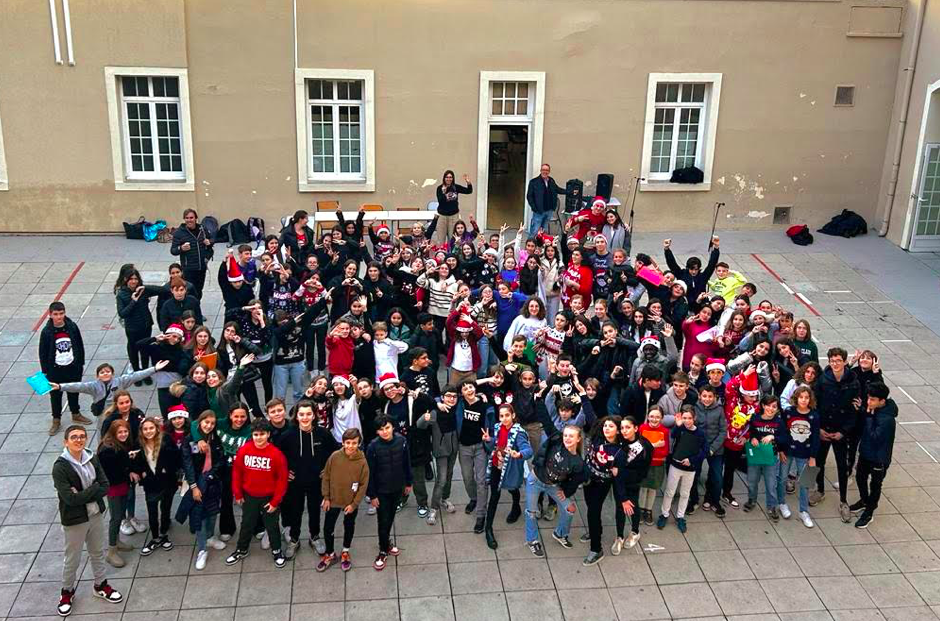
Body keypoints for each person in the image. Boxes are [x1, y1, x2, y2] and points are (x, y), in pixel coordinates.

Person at [53, 425, 123, 616]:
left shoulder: (92, 458)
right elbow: (70, 499)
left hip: (95, 515)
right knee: (72, 559)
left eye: (82, 436)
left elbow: (106, 486)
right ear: (65, 441)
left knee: (97, 553)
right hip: (75, 519)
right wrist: (93, 489)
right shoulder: (60, 467)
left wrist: (85, 492)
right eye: (74, 437)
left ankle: (101, 585)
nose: (79, 440)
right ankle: (66, 592)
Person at [277, 400, 339, 559]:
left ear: (314, 415)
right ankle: (294, 539)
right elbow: (277, 456)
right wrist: (284, 472)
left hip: (316, 482)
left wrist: (328, 469)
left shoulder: (323, 433)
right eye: (301, 414)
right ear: (296, 416)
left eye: (308, 414)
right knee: (295, 512)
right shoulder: (287, 435)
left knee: (314, 511)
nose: (305, 417)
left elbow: (335, 453)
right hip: (295, 483)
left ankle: (314, 537)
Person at [225, 419, 290, 568]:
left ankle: (277, 550)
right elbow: (237, 473)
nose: (258, 437)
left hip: (269, 498)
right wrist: (238, 494)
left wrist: (275, 501)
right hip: (249, 496)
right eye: (255, 434)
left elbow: (282, 480)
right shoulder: (244, 450)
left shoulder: (276, 454)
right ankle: (241, 549)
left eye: (262, 434)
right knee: (247, 524)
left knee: (272, 526)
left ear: (268, 434)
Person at [812, 347, 861, 523]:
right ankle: (820, 490)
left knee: (842, 466)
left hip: (841, 431)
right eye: (832, 361)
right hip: (823, 429)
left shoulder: (853, 382)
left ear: (845, 361)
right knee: (819, 461)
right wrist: (818, 429)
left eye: (838, 360)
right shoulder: (823, 380)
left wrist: (843, 432)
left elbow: (854, 411)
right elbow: (814, 404)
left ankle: (843, 501)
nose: (835, 364)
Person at [524, 424, 586, 555]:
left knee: (570, 509)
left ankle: (560, 533)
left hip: (553, 485)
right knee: (531, 512)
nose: (567, 438)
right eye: (565, 435)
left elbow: (575, 481)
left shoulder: (578, 462)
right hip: (535, 480)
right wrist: (539, 403)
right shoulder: (557, 442)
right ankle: (532, 541)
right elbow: (546, 421)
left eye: (571, 436)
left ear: (578, 439)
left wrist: (566, 492)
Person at [481, 403, 533, 550]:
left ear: (513, 416)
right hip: (497, 466)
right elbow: (496, 444)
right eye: (501, 416)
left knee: (513, 488)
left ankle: (516, 507)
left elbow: (528, 450)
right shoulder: (497, 427)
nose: (504, 419)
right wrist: (489, 440)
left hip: (510, 469)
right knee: (494, 497)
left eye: (507, 415)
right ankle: (488, 529)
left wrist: (519, 453)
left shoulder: (519, 432)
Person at [180, 410, 227, 571]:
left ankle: (210, 536)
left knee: (213, 512)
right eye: (206, 422)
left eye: (212, 423)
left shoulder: (215, 438)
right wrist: (194, 486)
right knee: (199, 515)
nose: (209, 426)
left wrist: (211, 475)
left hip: (212, 481)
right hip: (197, 482)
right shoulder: (190, 440)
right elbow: (188, 465)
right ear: (199, 422)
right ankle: (202, 549)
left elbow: (220, 459)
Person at [318, 428, 370, 572]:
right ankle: (330, 553)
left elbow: (363, 485)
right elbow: (326, 476)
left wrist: (354, 504)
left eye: (354, 443)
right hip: (333, 500)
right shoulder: (334, 457)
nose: (351, 446)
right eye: (348, 443)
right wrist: (326, 497)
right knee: (328, 527)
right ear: (342, 442)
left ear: (359, 443)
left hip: (350, 502)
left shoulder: (362, 462)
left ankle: (345, 551)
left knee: (349, 525)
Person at [365, 415, 413, 570]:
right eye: (381, 429)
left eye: (387, 428)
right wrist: (372, 495)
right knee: (383, 521)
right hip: (381, 491)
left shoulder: (402, 441)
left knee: (390, 517)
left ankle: (386, 542)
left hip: (397, 487)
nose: (384, 432)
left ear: (393, 427)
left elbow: (407, 463)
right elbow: (369, 473)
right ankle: (382, 549)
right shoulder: (372, 446)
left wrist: (408, 482)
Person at [133, 416, 182, 556]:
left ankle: (163, 533)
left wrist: (168, 469)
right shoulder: (138, 444)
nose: (148, 431)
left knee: (166, 508)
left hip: (167, 482)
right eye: (145, 429)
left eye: (151, 428)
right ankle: (155, 537)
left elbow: (176, 458)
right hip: (151, 484)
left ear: (157, 429)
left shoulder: (166, 440)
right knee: (152, 510)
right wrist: (140, 472)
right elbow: (135, 462)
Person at [851, 382, 897, 529]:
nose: (868, 402)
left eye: (872, 400)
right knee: (860, 477)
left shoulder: (887, 420)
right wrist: (864, 410)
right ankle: (864, 501)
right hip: (866, 453)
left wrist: (869, 417)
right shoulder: (874, 410)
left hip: (879, 459)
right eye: (868, 398)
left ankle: (869, 512)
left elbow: (875, 437)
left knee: (875, 485)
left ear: (882, 401)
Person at [40, 302, 90, 435]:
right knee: (55, 395)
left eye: (61, 313)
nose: (59, 317)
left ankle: (75, 413)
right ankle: (56, 419)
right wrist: (45, 371)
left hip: (72, 367)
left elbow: (79, 344)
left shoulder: (72, 327)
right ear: (50, 315)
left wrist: (80, 363)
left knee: (74, 391)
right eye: (55, 314)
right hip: (55, 369)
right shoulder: (47, 332)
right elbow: (43, 352)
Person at [657, 408, 706, 533]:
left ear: (694, 418)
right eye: (684, 418)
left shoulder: (700, 433)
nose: (687, 421)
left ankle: (680, 516)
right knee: (669, 491)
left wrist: (692, 460)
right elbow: (673, 436)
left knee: (685, 493)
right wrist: (678, 426)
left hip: (690, 468)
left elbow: (704, 450)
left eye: (689, 418)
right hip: (676, 465)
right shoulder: (680, 429)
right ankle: (664, 514)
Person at [95, 420, 136, 568]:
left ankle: (117, 542)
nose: (124, 434)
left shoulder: (119, 444)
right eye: (120, 432)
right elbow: (111, 473)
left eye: (125, 431)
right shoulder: (108, 450)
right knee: (116, 517)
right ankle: (111, 551)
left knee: (120, 514)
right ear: (113, 433)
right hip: (114, 487)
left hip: (122, 484)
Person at [114, 265, 164, 382]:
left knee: (145, 348)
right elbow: (122, 313)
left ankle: (145, 373)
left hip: (146, 325)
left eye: (136, 279)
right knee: (133, 349)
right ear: (126, 280)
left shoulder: (143, 290)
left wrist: (144, 288)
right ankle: (136, 373)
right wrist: (133, 301)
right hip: (132, 327)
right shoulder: (122, 294)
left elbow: (161, 290)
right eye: (131, 279)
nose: (134, 281)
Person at [170, 208, 214, 299]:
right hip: (188, 268)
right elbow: (173, 250)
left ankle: (196, 307)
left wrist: (209, 243)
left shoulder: (202, 229)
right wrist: (181, 248)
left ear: (196, 218)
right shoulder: (179, 233)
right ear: (184, 219)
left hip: (201, 267)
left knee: (199, 290)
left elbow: (212, 240)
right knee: (189, 291)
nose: (189, 220)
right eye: (187, 218)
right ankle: (190, 310)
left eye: (191, 218)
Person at [526, 163, 566, 235]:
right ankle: (530, 245)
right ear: (541, 170)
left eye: (547, 170)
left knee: (544, 231)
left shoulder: (551, 180)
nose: (545, 172)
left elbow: (558, 189)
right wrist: (534, 208)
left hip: (549, 210)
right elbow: (529, 196)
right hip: (538, 211)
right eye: (543, 170)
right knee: (535, 231)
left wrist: (569, 191)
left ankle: (542, 245)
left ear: (549, 171)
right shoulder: (534, 182)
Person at [435, 170, 473, 242]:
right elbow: (441, 201)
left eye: (450, 177)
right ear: (444, 178)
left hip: (453, 216)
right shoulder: (439, 188)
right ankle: (441, 252)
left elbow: (469, 191)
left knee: (453, 239)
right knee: (440, 239)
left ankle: (451, 253)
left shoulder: (456, 187)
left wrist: (468, 182)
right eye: (447, 177)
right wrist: (444, 192)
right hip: (442, 216)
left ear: (453, 178)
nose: (448, 179)